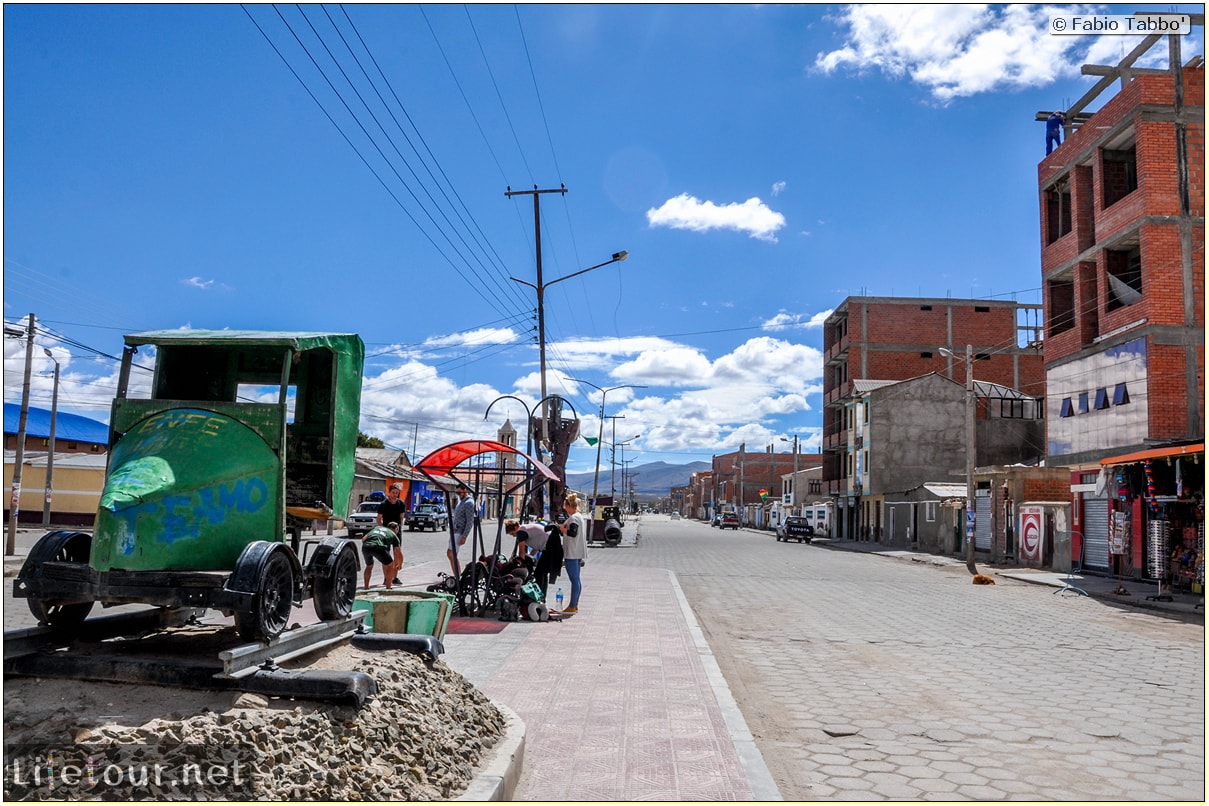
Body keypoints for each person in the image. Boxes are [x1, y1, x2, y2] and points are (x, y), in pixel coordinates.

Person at [558, 492, 588, 613]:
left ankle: (572, 605)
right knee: (577, 579)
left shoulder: (574, 518)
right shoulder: (578, 516)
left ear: (568, 505)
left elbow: (572, 533)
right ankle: (574, 604)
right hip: (577, 552)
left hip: (572, 552)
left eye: (565, 506)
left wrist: (562, 529)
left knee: (574, 579)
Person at [376, 483, 408, 583]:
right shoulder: (384, 504)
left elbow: (401, 517)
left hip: (396, 531)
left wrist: (398, 528)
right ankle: (386, 578)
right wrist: (383, 529)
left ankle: (395, 577)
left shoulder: (401, 504)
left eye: (397, 493)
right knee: (385, 555)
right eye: (393, 492)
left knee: (397, 554)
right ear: (389, 492)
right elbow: (379, 519)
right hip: (386, 531)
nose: (395, 494)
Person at [362, 521, 401, 590]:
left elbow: (363, 539)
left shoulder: (377, 528)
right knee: (390, 565)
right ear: (396, 529)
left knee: (369, 566)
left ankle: (366, 586)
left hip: (366, 546)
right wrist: (399, 564)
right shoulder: (394, 535)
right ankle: (388, 587)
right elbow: (398, 552)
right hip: (378, 547)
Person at [449, 483, 476, 577]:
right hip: (455, 530)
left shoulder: (469, 503)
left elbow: (470, 521)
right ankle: (457, 575)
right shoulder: (462, 501)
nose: (458, 494)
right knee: (451, 554)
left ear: (465, 490)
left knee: (451, 553)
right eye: (457, 493)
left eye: (460, 492)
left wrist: (464, 536)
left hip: (459, 531)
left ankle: (458, 575)